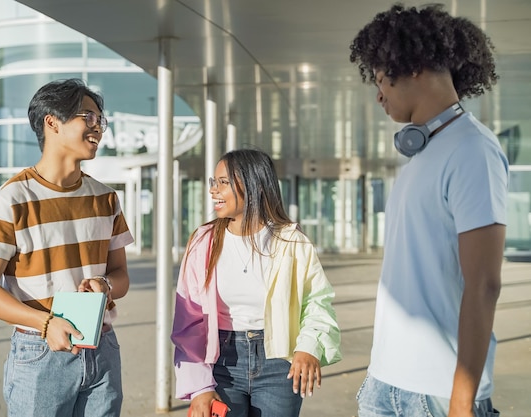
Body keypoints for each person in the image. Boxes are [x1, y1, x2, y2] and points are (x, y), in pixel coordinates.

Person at [349, 4, 508, 417]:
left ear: (414, 66)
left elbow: (485, 284)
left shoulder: (472, 150)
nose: (379, 94)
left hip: (435, 396)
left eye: (382, 79)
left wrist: (461, 402)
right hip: (384, 383)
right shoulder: (422, 156)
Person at [0, 78, 134, 417]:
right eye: (87, 117)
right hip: (40, 351)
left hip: (102, 346)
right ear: (52, 122)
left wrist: (105, 285)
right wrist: (45, 324)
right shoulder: (8, 201)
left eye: (100, 120)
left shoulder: (106, 198)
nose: (98, 128)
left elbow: (121, 277)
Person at [171, 149, 342, 417]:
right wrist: (200, 386)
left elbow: (317, 302)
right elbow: (188, 320)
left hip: (280, 364)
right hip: (220, 365)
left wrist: (308, 347)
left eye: (223, 182)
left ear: (254, 186)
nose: (214, 191)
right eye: (213, 182)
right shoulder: (203, 241)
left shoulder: (292, 242)